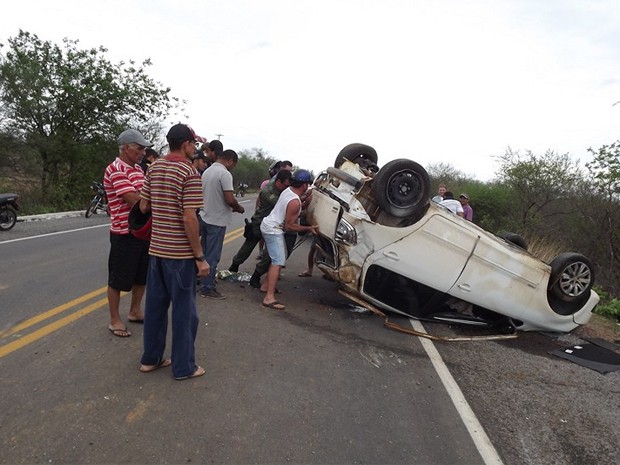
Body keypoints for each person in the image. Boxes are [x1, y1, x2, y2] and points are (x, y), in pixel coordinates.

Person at [139, 123, 210, 380]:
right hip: (179, 256)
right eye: (193, 144)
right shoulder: (189, 172)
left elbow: (144, 206)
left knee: (156, 308)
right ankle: (184, 367)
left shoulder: (154, 167)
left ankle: (151, 359)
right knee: (184, 313)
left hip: (156, 251)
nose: (195, 149)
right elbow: (189, 218)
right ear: (185, 144)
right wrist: (200, 257)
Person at [103, 128, 153, 338]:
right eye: (139, 148)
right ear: (126, 147)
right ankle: (115, 319)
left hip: (142, 232)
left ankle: (135, 310)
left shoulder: (138, 170)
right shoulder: (115, 169)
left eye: (144, 149)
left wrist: (147, 196)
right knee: (118, 279)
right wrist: (149, 197)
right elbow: (135, 200)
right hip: (124, 232)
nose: (143, 152)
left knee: (141, 276)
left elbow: (145, 196)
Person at [260, 169, 318, 310]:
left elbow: (291, 207)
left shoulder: (289, 191)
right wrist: (309, 228)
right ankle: (269, 297)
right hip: (273, 229)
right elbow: (289, 226)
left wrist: (304, 201)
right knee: (278, 261)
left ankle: (266, 286)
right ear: (304, 185)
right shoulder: (295, 202)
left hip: (269, 225)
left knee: (278, 257)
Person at [199, 149, 245, 299]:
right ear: (230, 160)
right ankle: (207, 287)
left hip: (204, 216)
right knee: (212, 256)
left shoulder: (207, 171)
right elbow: (230, 199)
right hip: (217, 220)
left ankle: (201, 279)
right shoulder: (224, 174)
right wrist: (239, 208)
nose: (232, 167)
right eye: (234, 164)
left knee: (203, 253)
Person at [228, 170, 293, 273]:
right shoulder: (268, 192)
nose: (286, 188)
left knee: (270, 252)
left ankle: (258, 273)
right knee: (248, 247)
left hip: (273, 225)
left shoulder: (282, 190)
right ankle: (235, 264)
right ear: (279, 181)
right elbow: (282, 205)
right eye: (285, 185)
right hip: (260, 222)